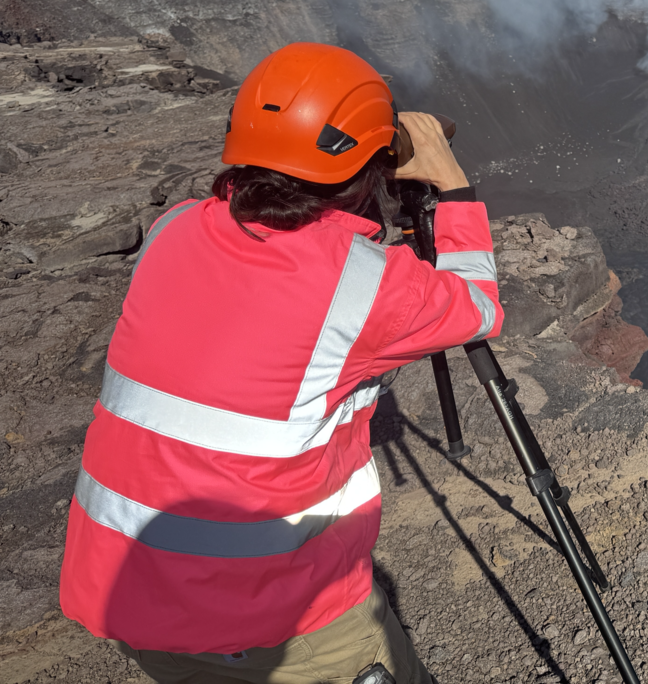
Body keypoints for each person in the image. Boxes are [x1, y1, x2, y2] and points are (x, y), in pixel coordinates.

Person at [59, 42, 503, 684]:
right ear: (369, 168)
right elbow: (478, 304)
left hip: (129, 595)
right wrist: (450, 182)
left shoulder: (172, 230)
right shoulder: (365, 286)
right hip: (275, 626)